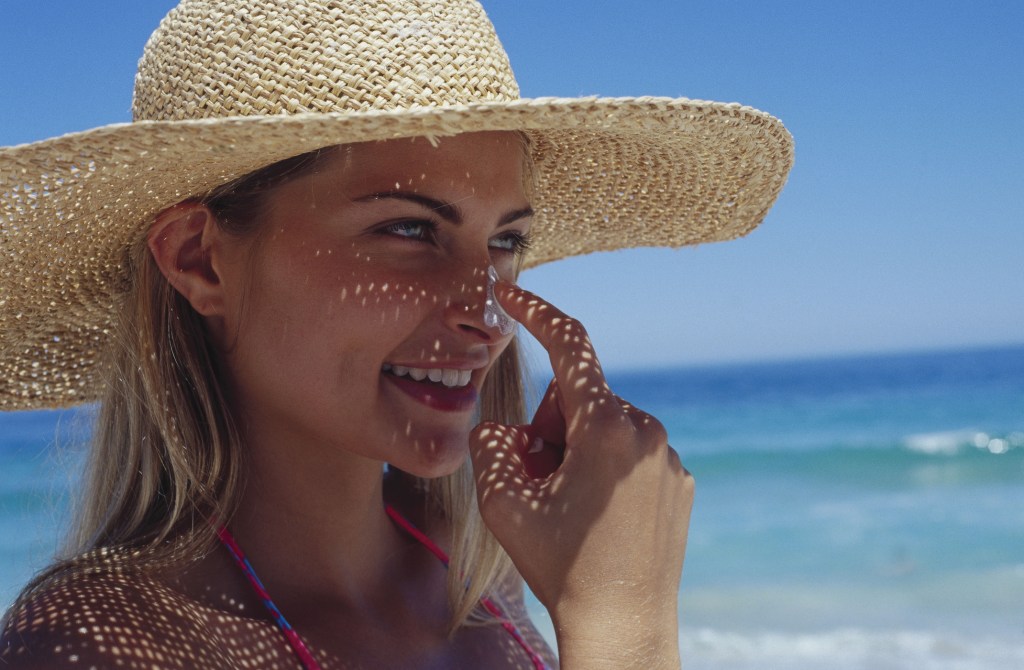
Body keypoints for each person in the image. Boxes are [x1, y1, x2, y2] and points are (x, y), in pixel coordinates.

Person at [0, 1, 793, 668]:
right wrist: (625, 618)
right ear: (199, 259)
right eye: (410, 228)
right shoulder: (88, 646)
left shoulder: (475, 578)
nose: (483, 312)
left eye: (505, 242)